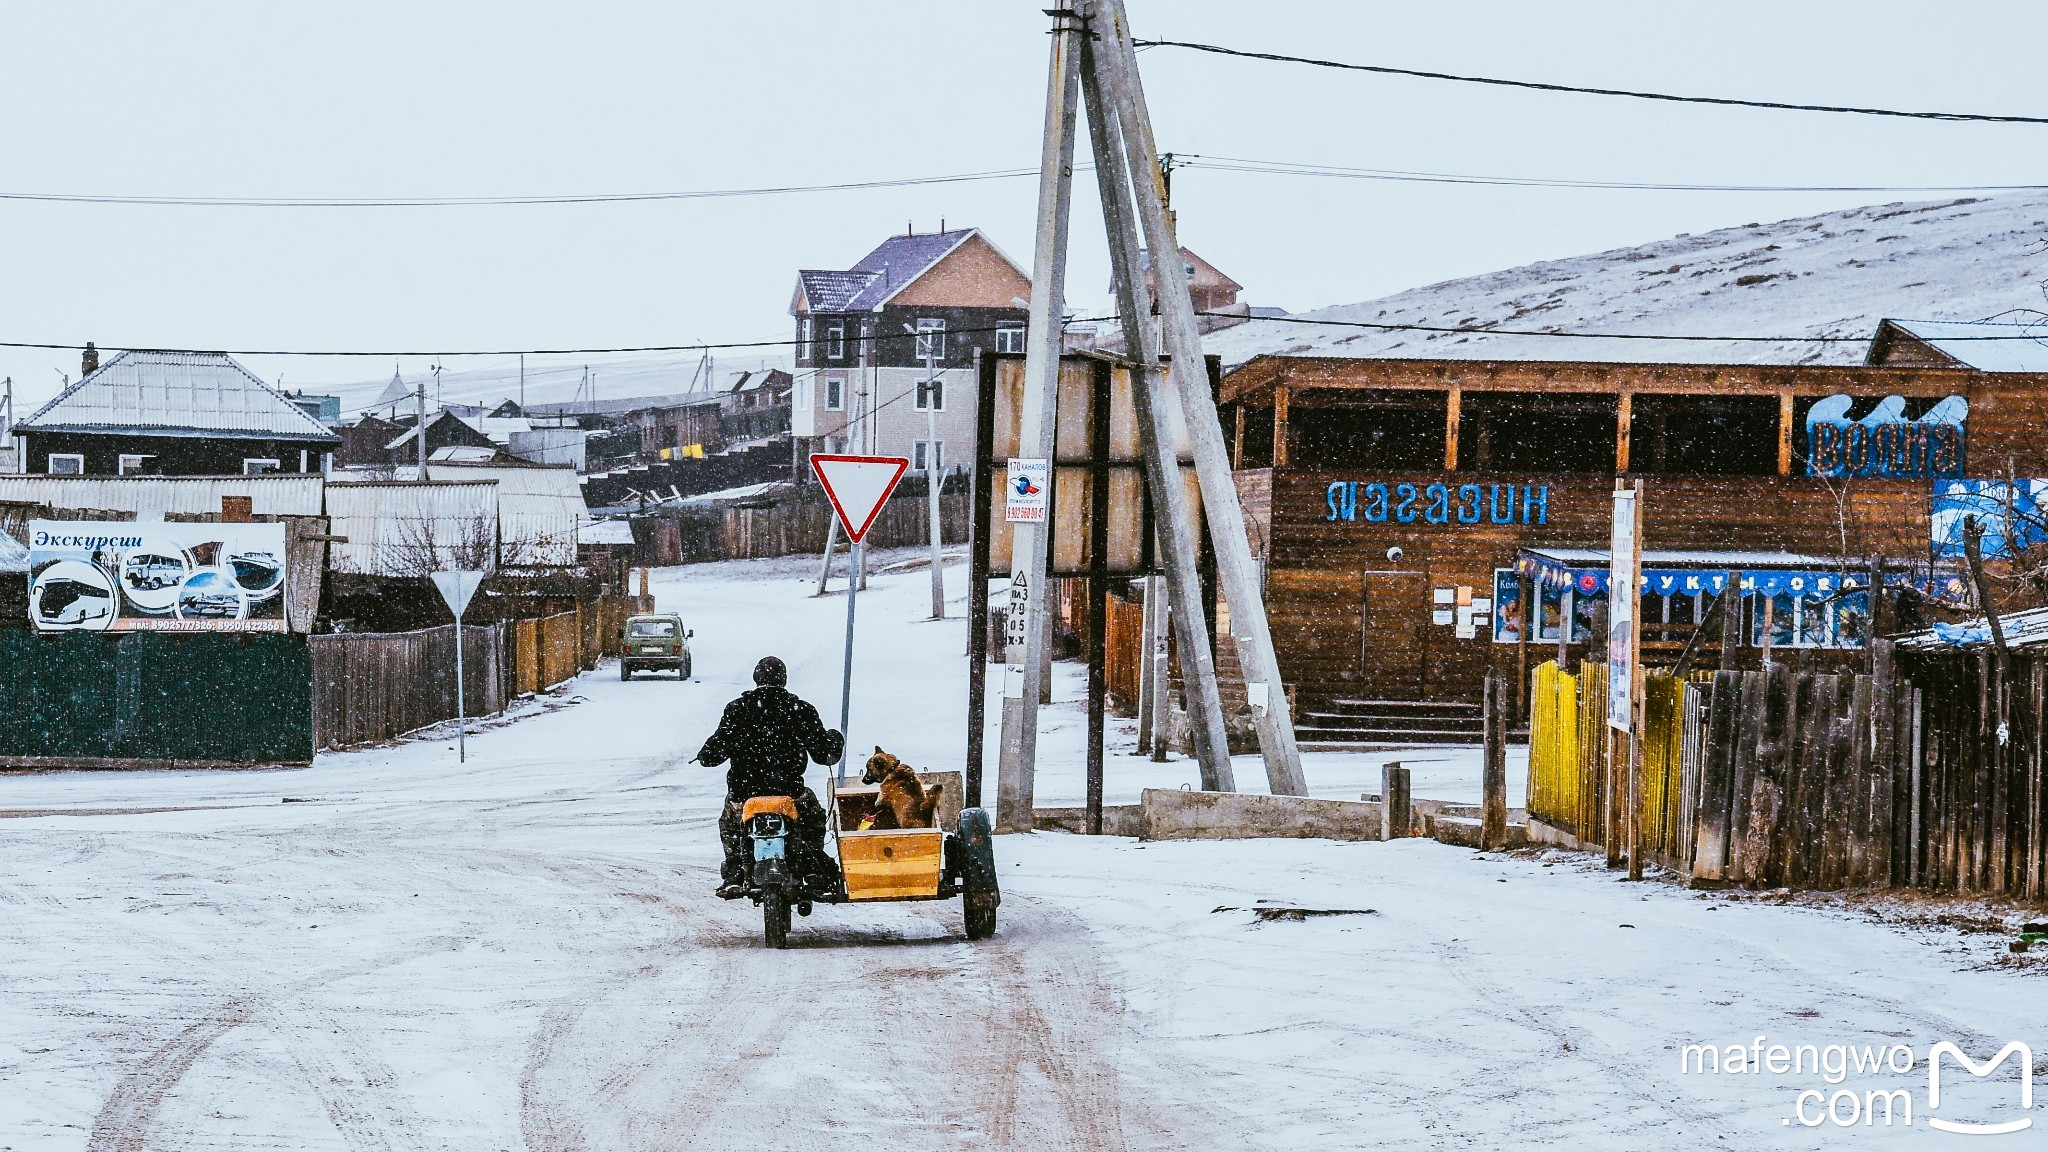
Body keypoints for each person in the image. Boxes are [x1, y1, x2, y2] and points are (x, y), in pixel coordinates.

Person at [696, 656, 845, 900]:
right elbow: (822, 753)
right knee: (814, 818)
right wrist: (833, 739)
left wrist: (706, 753)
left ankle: (734, 870)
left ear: (757, 678)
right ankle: (812, 866)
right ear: (783, 679)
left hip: (745, 793)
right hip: (789, 791)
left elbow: (716, 750)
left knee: (729, 823)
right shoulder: (800, 709)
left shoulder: (738, 709)